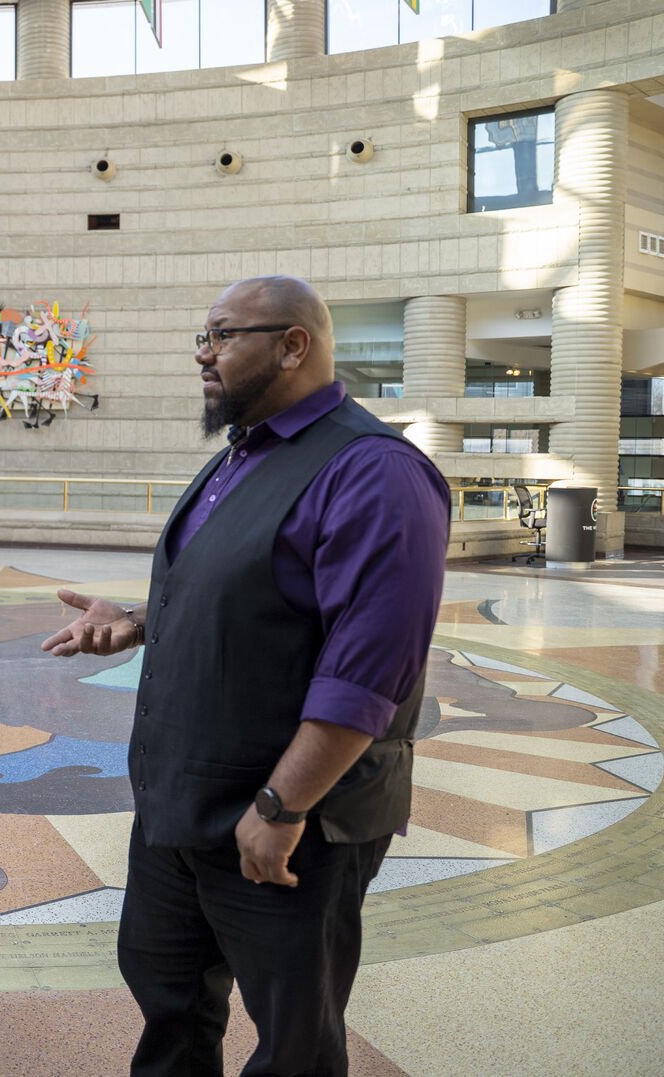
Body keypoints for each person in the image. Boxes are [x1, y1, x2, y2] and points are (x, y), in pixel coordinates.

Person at [43, 276, 449, 1077]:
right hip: (181, 809)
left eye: (223, 333)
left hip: (288, 824)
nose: (203, 350)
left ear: (293, 344)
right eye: (204, 333)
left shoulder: (374, 472)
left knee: (293, 1039)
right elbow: (248, 590)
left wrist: (281, 804)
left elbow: (367, 669)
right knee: (170, 1005)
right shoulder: (244, 455)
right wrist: (135, 622)